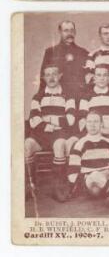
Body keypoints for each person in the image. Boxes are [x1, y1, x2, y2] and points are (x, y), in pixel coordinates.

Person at [24, 62, 78, 201]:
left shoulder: (68, 96)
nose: (51, 77)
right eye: (48, 75)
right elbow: (33, 121)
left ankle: (59, 186)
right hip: (41, 135)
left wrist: (48, 119)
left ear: (60, 76)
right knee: (27, 145)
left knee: (60, 144)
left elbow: (70, 120)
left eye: (54, 74)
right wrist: (53, 123)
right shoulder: (38, 97)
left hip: (60, 134)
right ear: (43, 78)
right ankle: (30, 185)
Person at [40, 20, 88, 97]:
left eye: (72, 30)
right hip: (58, 97)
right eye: (66, 31)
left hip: (78, 98)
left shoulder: (83, 53)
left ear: (75, 32)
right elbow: (43, 78)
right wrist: (41, 97)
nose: (69, 33)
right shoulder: (50, 52)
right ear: (60, 32)